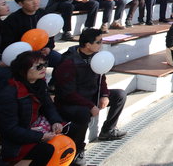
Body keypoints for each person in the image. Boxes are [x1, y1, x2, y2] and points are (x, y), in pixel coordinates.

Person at [53, 29, 127, 164]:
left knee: (120, 95)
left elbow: (101, 77)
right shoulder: (68, 62)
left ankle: (108, 130)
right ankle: (78, 150)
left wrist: (104, 94)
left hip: (90, 95)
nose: (102, 44)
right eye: (99, 42)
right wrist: (90, 106)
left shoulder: (96, 56)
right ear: (87, 44)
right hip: (72, 101)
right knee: (83, 114)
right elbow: (67, 93)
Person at [0, 51, 66, 166]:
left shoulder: (39, 83)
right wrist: (40, 137)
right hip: (10, 139)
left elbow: (48, 106)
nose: (44, 69)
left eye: (45, 64)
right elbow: (9, 129)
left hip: (29, 129)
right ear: (23, 69)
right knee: (45, 150)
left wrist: (56, 121)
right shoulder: (8, 92)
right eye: (39, 66)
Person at [1, 0, 61, 67]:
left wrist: (49, 48)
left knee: (63, 62)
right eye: (30, 0)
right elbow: (8, 41)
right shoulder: (13, 19)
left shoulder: (44, 15)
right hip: (23, 55)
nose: (35, 2)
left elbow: (50, 35)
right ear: (20, 3)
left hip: (42, 52)